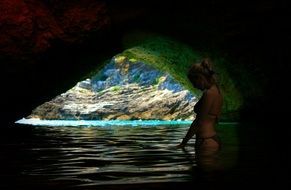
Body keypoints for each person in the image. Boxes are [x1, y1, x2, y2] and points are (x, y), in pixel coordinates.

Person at [177, 58, 223, 153]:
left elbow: (199, 121)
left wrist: (184, 143)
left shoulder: (209, 94)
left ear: (200, 78)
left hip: (205, 141)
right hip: (210, 138)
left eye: (194, 82)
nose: (194, 86)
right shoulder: (217, 91)